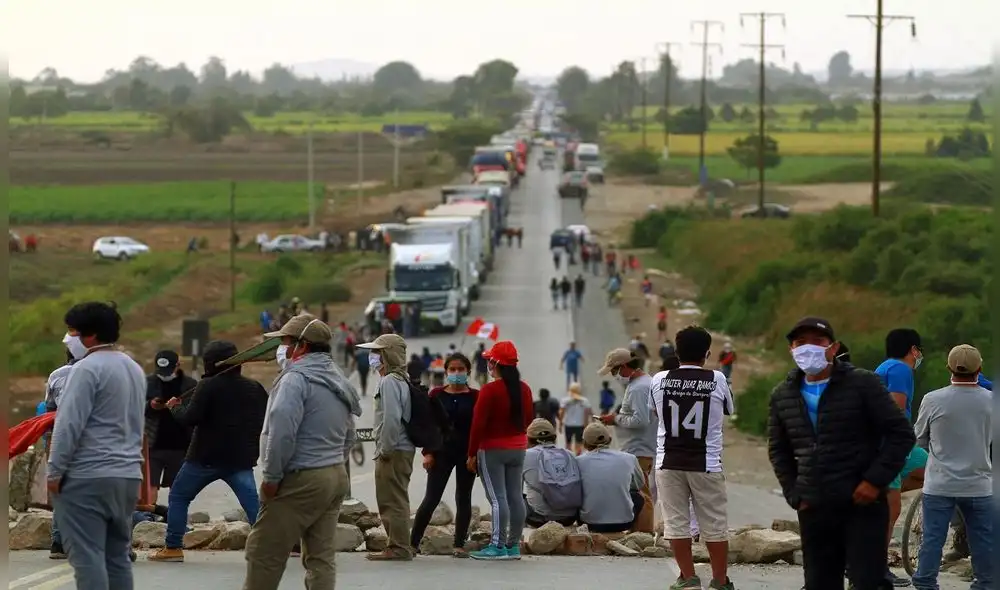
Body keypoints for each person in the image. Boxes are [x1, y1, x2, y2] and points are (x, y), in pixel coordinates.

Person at [768, 317, 915, 590]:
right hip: (815, 507)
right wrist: (795, 494)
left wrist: (874, 481)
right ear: (791, 349)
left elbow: (901, 434)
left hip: (863, 504)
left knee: (868, 582)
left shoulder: (862, 384)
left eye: (818, 342)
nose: (808, 348)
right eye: (801, 343)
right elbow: (779, 450)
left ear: (833, 348)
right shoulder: (783, 395)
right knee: (820, 583)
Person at [243, 316, 362, 589]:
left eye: (285, 342)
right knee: (320, 556)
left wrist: (272, 478)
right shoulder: (336, 378)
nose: (281, 349)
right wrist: (335, 461)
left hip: (302, 478)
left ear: (302, 346)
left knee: (264, 552)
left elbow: (281, 432)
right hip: (334, 474)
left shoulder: (295, 380)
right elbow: (349, 433)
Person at [46, 302, 145, 589]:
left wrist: (54, 472)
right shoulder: (133, 369)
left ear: (89, 336)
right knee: (117, 558)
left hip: (87, 477)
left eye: (72, 331)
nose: (69, 338)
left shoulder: (85, 370)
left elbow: (68, 425)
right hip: (126, 477)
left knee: (87, 557)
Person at [148, 341, 268, 563]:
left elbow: (189, 418)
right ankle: (271, 546)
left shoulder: (208, 386)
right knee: (252, 503)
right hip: (241, 458)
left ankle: (173, 547)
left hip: (204, 458)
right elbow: (264, 421)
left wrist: (175, 406)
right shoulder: (255, 387)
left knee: (179, 496)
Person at [650, 325, 736, 590]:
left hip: (669, 461)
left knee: (676, 522)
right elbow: (728, 410)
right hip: (706, 462)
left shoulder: (658, 379)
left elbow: (655, 412)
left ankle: (687, 577)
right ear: (707, 354)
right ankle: (720, 581)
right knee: (714, 522)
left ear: (676, 352)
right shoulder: (717, 379)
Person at [911, 345, 992, 590]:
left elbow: (919, 439)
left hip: (939, 485)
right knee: (984, 541)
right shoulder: (991, 401)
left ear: (949, 368)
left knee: (933, 539)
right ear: (979, 369)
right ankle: (986, 584)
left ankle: (926, 583)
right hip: (979, 486)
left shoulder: (932, 399)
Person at [466, 340, 534, 561]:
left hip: (492, 449)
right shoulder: (524, 389)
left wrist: (471, 453)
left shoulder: (489, 390)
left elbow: (478, 425)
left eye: (489, 361)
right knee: (515, 496)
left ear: (495, 363)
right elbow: (529, 419)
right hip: (518, 448)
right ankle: (513, 545)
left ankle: (497, 546)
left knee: (497, 498)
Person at [411, 353, 479, 557]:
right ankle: (413, 543)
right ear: (446, 371)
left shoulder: (477, 396)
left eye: (461, 369)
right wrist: (428, 452)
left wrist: (474, 455)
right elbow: (428, 426)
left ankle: (459, 545)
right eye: (452, 369)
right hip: (441, 452)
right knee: (431, 498)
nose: (456, 373)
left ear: (468, 371)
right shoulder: (436, 395)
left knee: (463, 498)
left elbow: (479, 428)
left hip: (467, 455)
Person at [357, 333, 416, 561]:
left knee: (392, 500)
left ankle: (399, 547)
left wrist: (386, 450)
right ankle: (398, 544)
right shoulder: (402, 379)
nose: (373, 357)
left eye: (377, 352)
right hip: (402, 447)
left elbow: (391, 418)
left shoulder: (390, 381)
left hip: (394, 449)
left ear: (387, 354)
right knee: (395, 498)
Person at [873, 328, 925, 587]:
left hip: (895, 442)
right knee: (891, 509)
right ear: (913, 349)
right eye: (918, 351)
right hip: (888, 445)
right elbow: (894, 407)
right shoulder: (900, 370)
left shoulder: (886, 367)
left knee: (931, 469)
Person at [598, 348, 656, 533]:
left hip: (640, 447)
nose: (615, 376)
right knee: (637, 491)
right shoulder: (639, 383)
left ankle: (644, 533)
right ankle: (638, 529)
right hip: (637, 447)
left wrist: (615, 419)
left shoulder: (639, 388)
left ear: (624, 367)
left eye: (615, 371)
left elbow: (640, 420)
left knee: (642, 492)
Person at [145, 350, 198, 500]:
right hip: (152, 445)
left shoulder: (191, 385)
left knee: (178, 487)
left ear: (178, 365)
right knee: (150, 485)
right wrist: (150, 406)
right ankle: (149, 519)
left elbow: (196, 413)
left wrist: (179, 407)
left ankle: (175, 518)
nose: (164, 374)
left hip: (180, 445)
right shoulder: (146, 383)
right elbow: (133, 408)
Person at [576, 423, 645, 533]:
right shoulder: (629, 458)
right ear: (610, 440)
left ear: (585, 443)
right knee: (639, 496)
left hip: (589, 523)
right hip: (624, 523)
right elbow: (639, 484)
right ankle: (634, 534)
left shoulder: (578, 461)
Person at [522, 419, 580, 527]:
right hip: (569, 518)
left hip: (539, 519)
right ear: (554, 437)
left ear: (528, 439)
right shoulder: (569, 454)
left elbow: (514, 490)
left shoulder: (524, 455)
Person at [558, 383, 592, 456]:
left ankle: (569, 457)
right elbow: (588, 413)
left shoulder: (565, 400)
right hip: (580, 425)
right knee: (579, 443)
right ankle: (578, 457)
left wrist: (560, 424)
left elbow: (561, 413)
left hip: (568, 425)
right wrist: (588, 424)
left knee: (568, 443)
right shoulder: (584, 400)